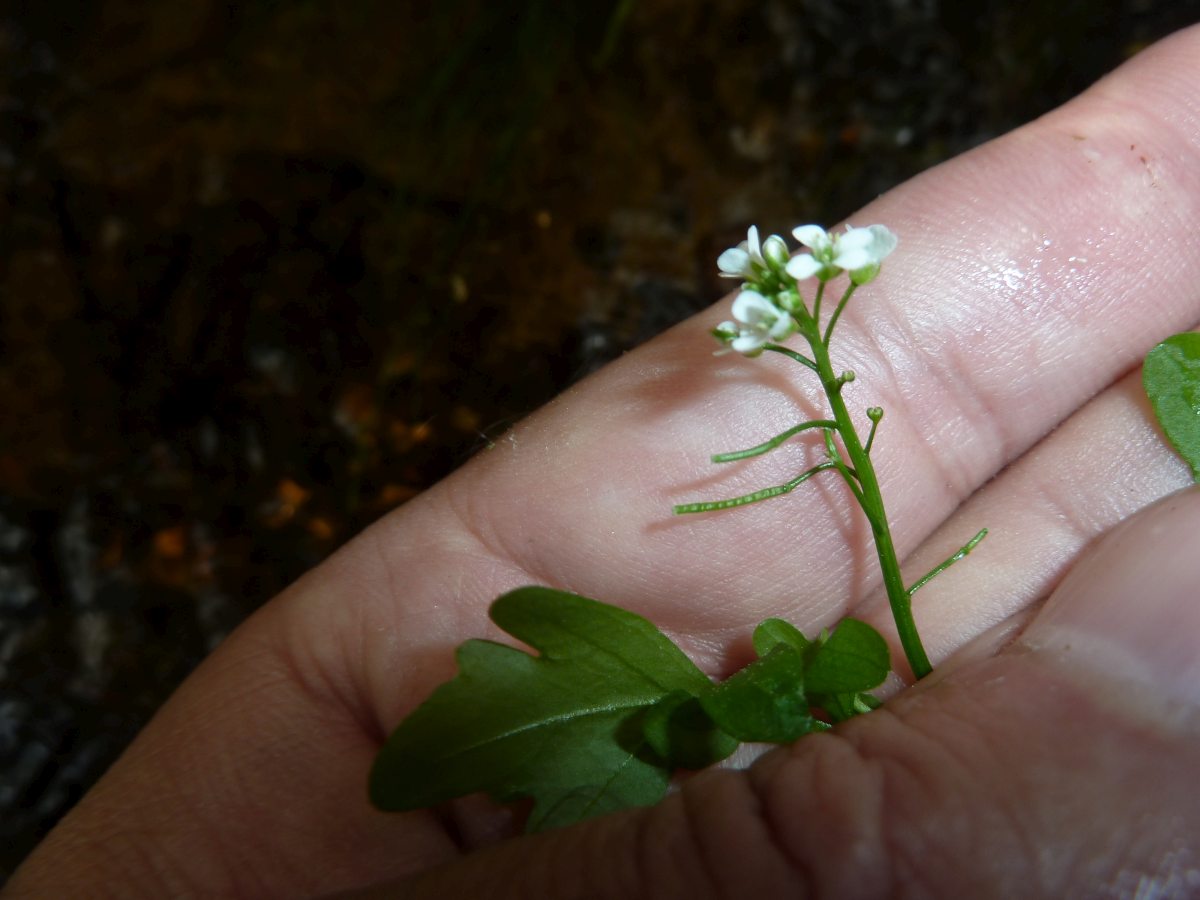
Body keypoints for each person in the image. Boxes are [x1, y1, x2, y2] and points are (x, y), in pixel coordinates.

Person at [8, 24, 1200, 900]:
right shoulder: (797, 352)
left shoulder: (823, 336)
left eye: (773, 292)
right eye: (769, 289)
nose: (768, 291)